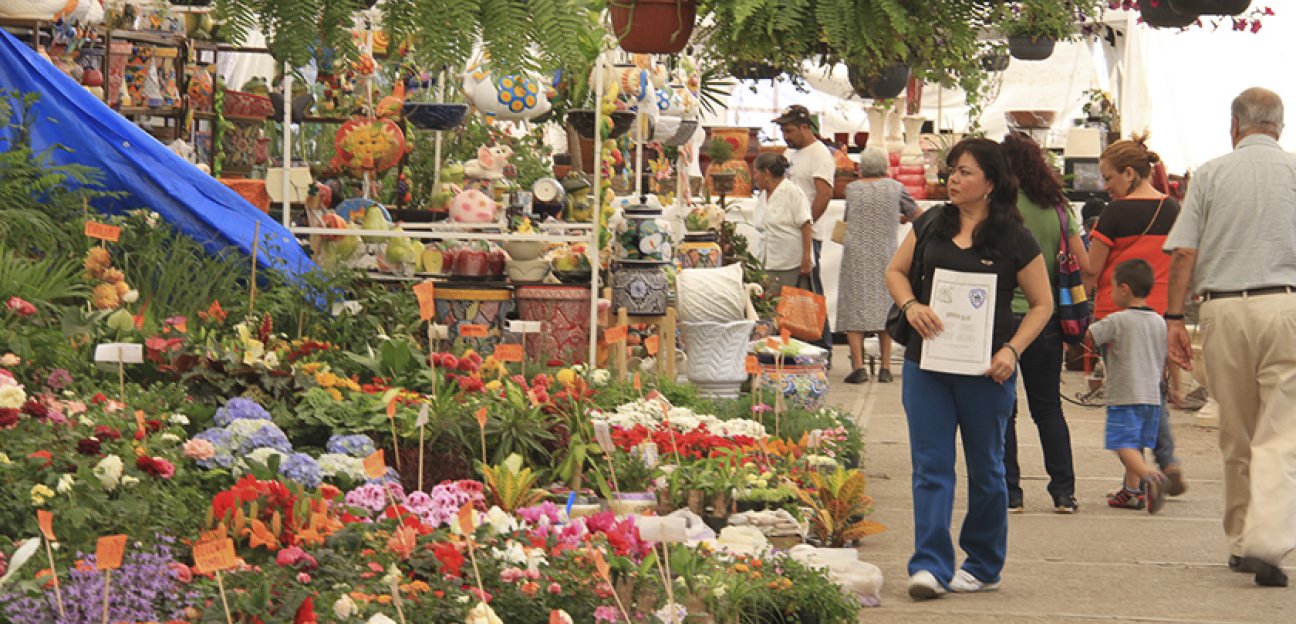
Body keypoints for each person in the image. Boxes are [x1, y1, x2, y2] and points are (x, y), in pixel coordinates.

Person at [885, 138, 1053, 599]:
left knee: (987, 469)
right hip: (927, 366)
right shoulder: (930, 223)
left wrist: (1012, 350)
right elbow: (895, 272)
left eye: (964, 172)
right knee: (931, 467)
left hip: (987, 371)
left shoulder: (1014, 237)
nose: (953, 180)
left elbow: (1042, 304)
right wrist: (911, 305)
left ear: (990, 183)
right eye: (952, 171)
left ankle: (982, 564)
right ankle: (930, 566)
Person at [1165, 87, 1296, 588]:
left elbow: (1184, 252)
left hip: (1223, 309)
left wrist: (1174, 318)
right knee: (1281, 433)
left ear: (1234, 125)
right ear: (1280, 126)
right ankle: (1268, 540)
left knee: (1236, 433)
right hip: (1286, 306)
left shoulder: (1211, 173)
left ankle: (1242, 541)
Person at [1082, 134, 1188, 498]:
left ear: (1129, 173)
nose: (1106, 186)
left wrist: (1076, 303)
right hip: (1159, 313)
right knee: (1150, 393)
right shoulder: (1172, 209)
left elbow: (1093, 269)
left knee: (1128, 398)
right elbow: (1181, 259)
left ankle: (1147, 475)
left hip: (1117, 314)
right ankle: (1144, 477)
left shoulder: (1113, 214)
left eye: (1109, 178)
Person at [999, 132, 1087, 514]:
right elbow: (1083, 263)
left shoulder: (998, 205)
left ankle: (1011, 493)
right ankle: (1064, 492)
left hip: (1003, 318)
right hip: (1046, 317)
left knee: (1004, 411)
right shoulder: (1059, 208)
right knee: (1049, 408)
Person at [1088, 259, 1169, 514]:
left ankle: (1151, 477)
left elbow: (1089, 335)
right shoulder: (1159, 321)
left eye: (1112, 287)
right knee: (1135, 444)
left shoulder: (1117, 320)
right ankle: (1132, 492)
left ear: (1124, 289)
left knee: (1121, 442)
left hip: (1125, 394)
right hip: (1152, 396)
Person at [837, 147, 919, 384]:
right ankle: (885, 367)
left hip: (856, 256)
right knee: (885, 308)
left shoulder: (852, 189)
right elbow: (918, 214)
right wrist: (899, 218)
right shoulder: (896, 188)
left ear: (862, 167)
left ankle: (859, 367)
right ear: (885, 167)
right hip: (886, 255)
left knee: (854, 308)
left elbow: (848, 219)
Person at [772, 105, 835, 360]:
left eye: (789, 131)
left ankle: (824, 349)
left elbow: (824, 195)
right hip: (789, 236)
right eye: (783, 131)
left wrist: (805, 226)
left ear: (805, 127)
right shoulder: (790, 153)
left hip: (807, 235)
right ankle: (799, 346)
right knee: (793, 295)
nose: (785, 136)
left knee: (811, 294)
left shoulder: (819, 155)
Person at [751, 152, 812, 295]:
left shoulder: (792, 192)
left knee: (786, 303)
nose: (755, 177)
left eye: (756, 172)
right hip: (766, 261)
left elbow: (806, 225)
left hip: (788, 263)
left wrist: (806, 259)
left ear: (766, 173)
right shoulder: (763, 195)